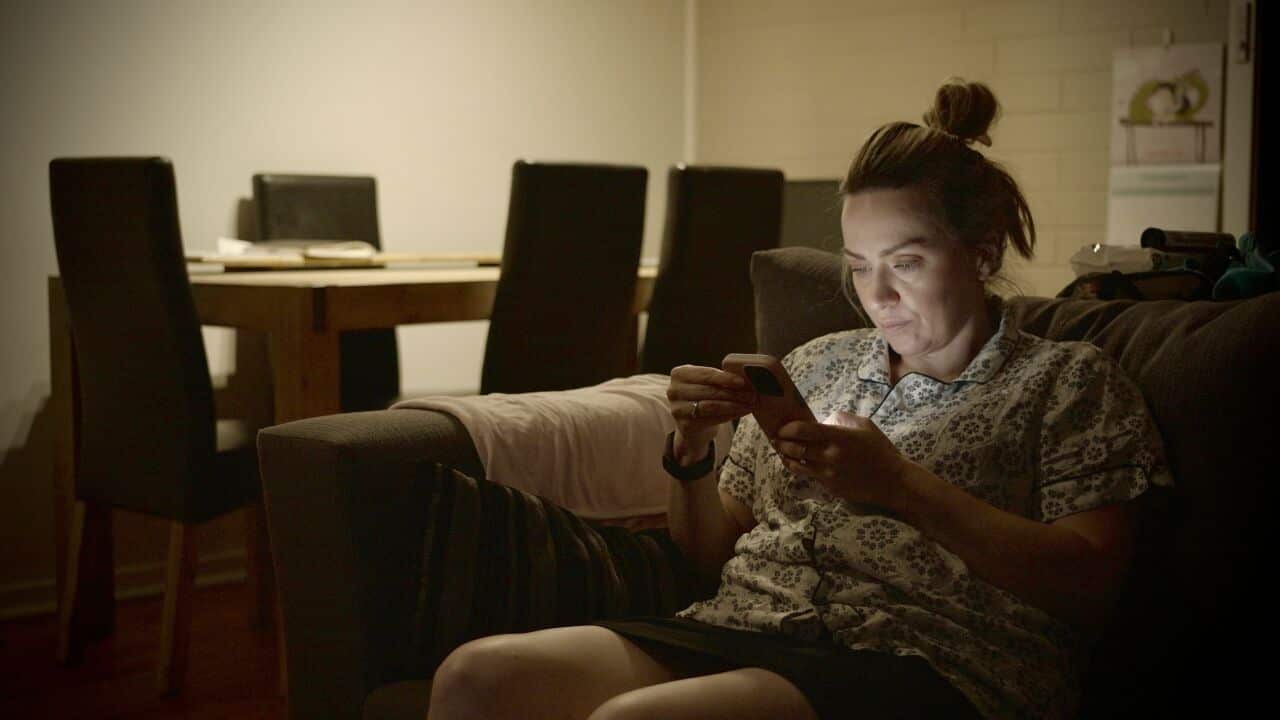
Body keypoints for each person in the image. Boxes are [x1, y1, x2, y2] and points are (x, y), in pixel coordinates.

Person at [425, 78, 1171, 720]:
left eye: (906, 262)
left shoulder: (1068, 383)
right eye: (858, 266)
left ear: (982, 252)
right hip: (750, 620)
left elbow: (1089, 589)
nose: (877, 295)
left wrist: (902, 486)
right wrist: (687, 450)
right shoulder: (816, 365)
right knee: (477, 678)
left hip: (929, 654)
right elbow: (708, 552)